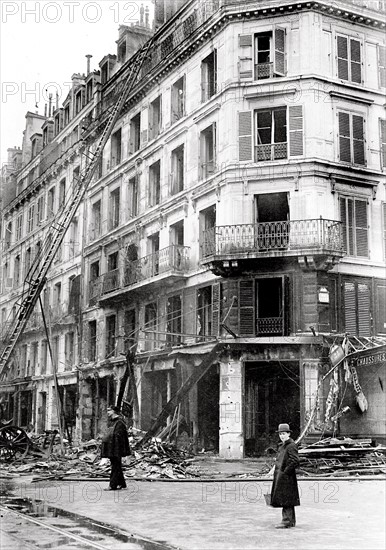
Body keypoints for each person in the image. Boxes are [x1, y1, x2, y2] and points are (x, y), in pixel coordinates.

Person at [270, 423, 300, 528]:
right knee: (287, 498)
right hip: (282, 476)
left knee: (286, 498)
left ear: (288, 434)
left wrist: (285, 472)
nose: (282, 436)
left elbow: (295, 460)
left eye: (284, 434)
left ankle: (286, 521)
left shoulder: (291, 445)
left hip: (287, 477)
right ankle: (290, 521)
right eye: (280, 434)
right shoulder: (283, 446)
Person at [101, 405, 130, 491]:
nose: (108, 412)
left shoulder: (120, 423)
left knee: (115, 466)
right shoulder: (112, 422)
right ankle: (121, 483)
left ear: (114, 411)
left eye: (109, 410)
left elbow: (119, 438)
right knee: (116, 465)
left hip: (116, 449)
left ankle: (112, 485)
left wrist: (117, 451)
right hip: (112, 448)